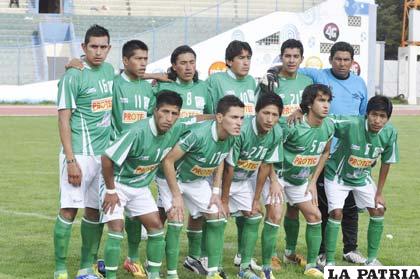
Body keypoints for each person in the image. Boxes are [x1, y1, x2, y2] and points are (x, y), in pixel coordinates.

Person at [276, 41, 368, 264]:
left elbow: (363, 119)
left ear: (353, 62)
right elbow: (291, 68)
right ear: (330, 60)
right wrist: (299, 107)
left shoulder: (360, 84)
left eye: (347, 59)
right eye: (338, 59)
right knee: (323, 205)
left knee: (350, 203)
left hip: (349, 154)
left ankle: (350, 248)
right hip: (317, 153)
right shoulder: (319, 76)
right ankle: (322, 252)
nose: (342, 63)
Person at [100, 91, 189, 279]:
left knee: (156, 227)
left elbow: (198, 119)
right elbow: (107, 158)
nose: (169, 118)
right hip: (117, 184)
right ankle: (110, 276)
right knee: (116, 227)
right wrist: (110, 190)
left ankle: (154, 275)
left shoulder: (176, 127)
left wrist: (217, 116)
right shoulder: (137, 131)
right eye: (165, 112)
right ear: (155, 111)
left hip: (140, 188)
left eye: (174, 113)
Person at [160, 95, 245, 279]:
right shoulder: (198, 134)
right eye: (234, 117)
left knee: (217, 216)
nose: (239, 122)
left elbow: (220, 158)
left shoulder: (232, 136)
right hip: (172, 178)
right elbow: (168, 161)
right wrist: (176, 196)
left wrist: (216, 192)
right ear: (220, 118)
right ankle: (171, 274)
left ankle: (212, 272)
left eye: (241, 118)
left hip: (197, 181)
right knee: (175, 219)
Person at [53, 24, 114, 279]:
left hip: (103, 157)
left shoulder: (110, 71)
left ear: (109, 48)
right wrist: (70, 161)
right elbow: (63, 120)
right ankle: (60, 269)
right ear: (83, 48)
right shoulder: (73, 75)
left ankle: (85, 268)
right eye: (93, 47)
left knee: (94, 211)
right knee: (69, 209)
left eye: (103, 47)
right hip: (78, 154)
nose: (98, 52)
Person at [153, 45, 213, 278]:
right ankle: (152, 262)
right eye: (183, 63)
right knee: (164, 215)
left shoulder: (203, 88)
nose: (188, 67)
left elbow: (212, 117)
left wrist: (196, 119)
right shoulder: (164, 87)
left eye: (192, 62)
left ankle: (193, 258)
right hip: (169, 162)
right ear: (174, 66)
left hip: (195, 163)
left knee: (199, 214)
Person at [323, 96, 398, 267]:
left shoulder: (390, 133)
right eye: (374, 114)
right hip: (337, 176)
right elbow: (326, 119)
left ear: (387, 118)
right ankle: (329, 261)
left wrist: (379, 193)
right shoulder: (351, 123)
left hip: (362, 177)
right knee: (336, 213)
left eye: (382, 116)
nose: (377, 120)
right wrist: (302, 111)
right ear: (367, 114)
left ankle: (371, 260)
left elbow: (387, 162)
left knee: (378, 210)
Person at [258, 39, 313, 270]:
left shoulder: (307, 81)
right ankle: (269, 255)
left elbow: (310, 106)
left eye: (296, 56)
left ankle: (290, 251)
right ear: (281, 57)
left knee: (294, 209)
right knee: (275, 210)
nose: (291, 60)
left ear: (301, 58)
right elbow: (262, 108)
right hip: (275, 150)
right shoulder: (271, 80)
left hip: (298, 153)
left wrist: (300, 109)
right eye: (287, 56)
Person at [271, 84, 334, 278]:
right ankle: (269, 258)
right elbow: (270, 149)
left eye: (328, 101)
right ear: (308, 104)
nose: (326, 105)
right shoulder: (292, 125)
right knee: (275, 214)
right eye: (321, 100)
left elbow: (325, 151)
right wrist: (273, 180)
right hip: (279, 176)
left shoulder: (329, 125)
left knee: (315, 215)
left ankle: (310, 265)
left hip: (300, 181)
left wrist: (313, 180)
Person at [221, 93, 284, 279]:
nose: (270, 119)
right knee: (216, 217)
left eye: (275, 115)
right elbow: (228, 167)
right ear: (256, 112)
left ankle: (245, 267)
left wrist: (256, 199)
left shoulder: (277, 132)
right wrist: (223, 199)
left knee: (254, 213)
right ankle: (210, 263)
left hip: (244, 180)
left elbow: (265, 166)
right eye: (266, 113)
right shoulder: (242, 129)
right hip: (222, 178)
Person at [111, 39, 155, 278]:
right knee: (104, 213)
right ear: (125, 61)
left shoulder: (148, 88)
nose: (142, 63)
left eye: (145, 59)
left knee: (136, 212)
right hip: (116, 160)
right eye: (138, 59)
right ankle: (98, 260)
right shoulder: (114, 84)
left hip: (140, 161)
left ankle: (133, 258)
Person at [207, 40, 257, 116]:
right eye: (241, 58)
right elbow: (206, 113)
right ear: (229, 61)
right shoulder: (215, 80)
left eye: (248, 58)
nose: (246, 63)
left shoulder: (251, 81)